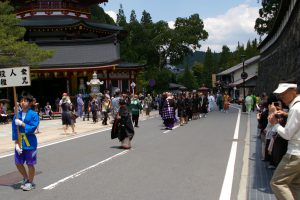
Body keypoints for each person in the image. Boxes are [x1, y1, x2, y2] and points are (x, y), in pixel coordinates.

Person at [268, 81, 300, 200]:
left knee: (277, 183)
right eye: (280, 95)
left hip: (295, 154)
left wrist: (275, 124)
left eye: (284, 94)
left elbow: (287, 135)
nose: (281, 97)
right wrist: (286, 114)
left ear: (293, 92)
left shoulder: (296, 108)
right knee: (294, 184)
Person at [12, 93, 39, 191]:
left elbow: (32, 128)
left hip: (30, 142)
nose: (23, 102)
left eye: (25, 100)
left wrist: (22, 124)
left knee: (30, 163)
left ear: (30, 103)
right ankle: (26, 178)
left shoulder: (34, 114)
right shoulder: (17, 115)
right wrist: (16, 144)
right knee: (18, 162)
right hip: (20, 141)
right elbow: (14, 130)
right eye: (22, 100)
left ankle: (30, 182)